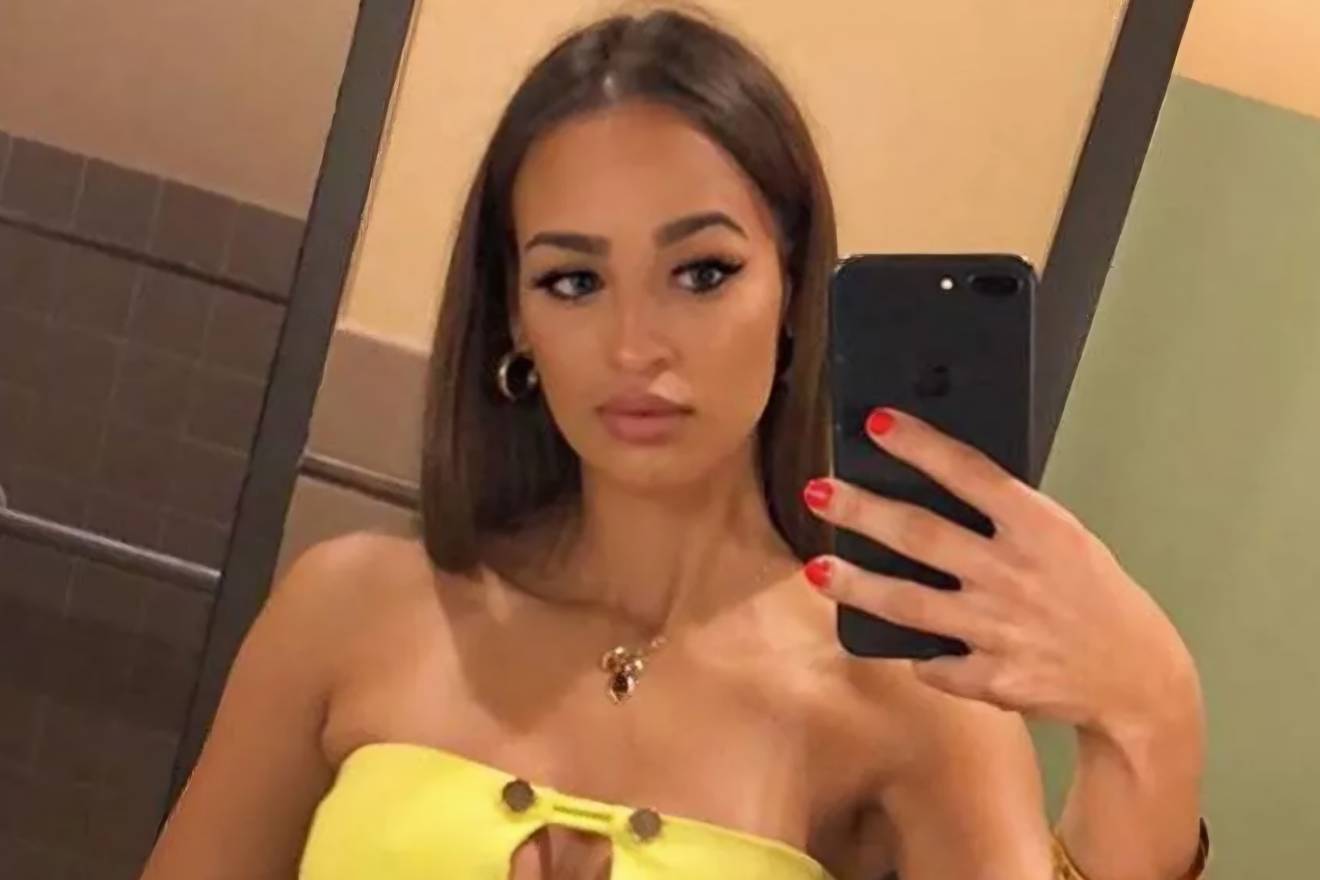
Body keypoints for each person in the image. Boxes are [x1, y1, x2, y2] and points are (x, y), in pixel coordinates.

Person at [140, 8, 1209, 880]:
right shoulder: (347, 612)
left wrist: (1154, 716)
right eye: (573, 280)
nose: (634, 345)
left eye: (701, 273)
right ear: (514, 316)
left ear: (791, 288)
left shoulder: (903, 706)